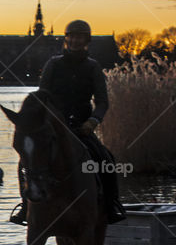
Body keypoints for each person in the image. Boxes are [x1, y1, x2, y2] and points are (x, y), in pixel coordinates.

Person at [10, 19, 127, 225]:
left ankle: (111, 205)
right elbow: (42, 96)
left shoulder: (93, 67)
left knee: (106, 159)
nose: (74, 40)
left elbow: (102, 102)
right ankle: (26, 207)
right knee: (26, 163)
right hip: (54, 128)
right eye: (71, 36)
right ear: (66, 39)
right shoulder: (53, 64)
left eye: (79, 37)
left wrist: (92, 121)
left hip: (82, 128)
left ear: (86, 41)